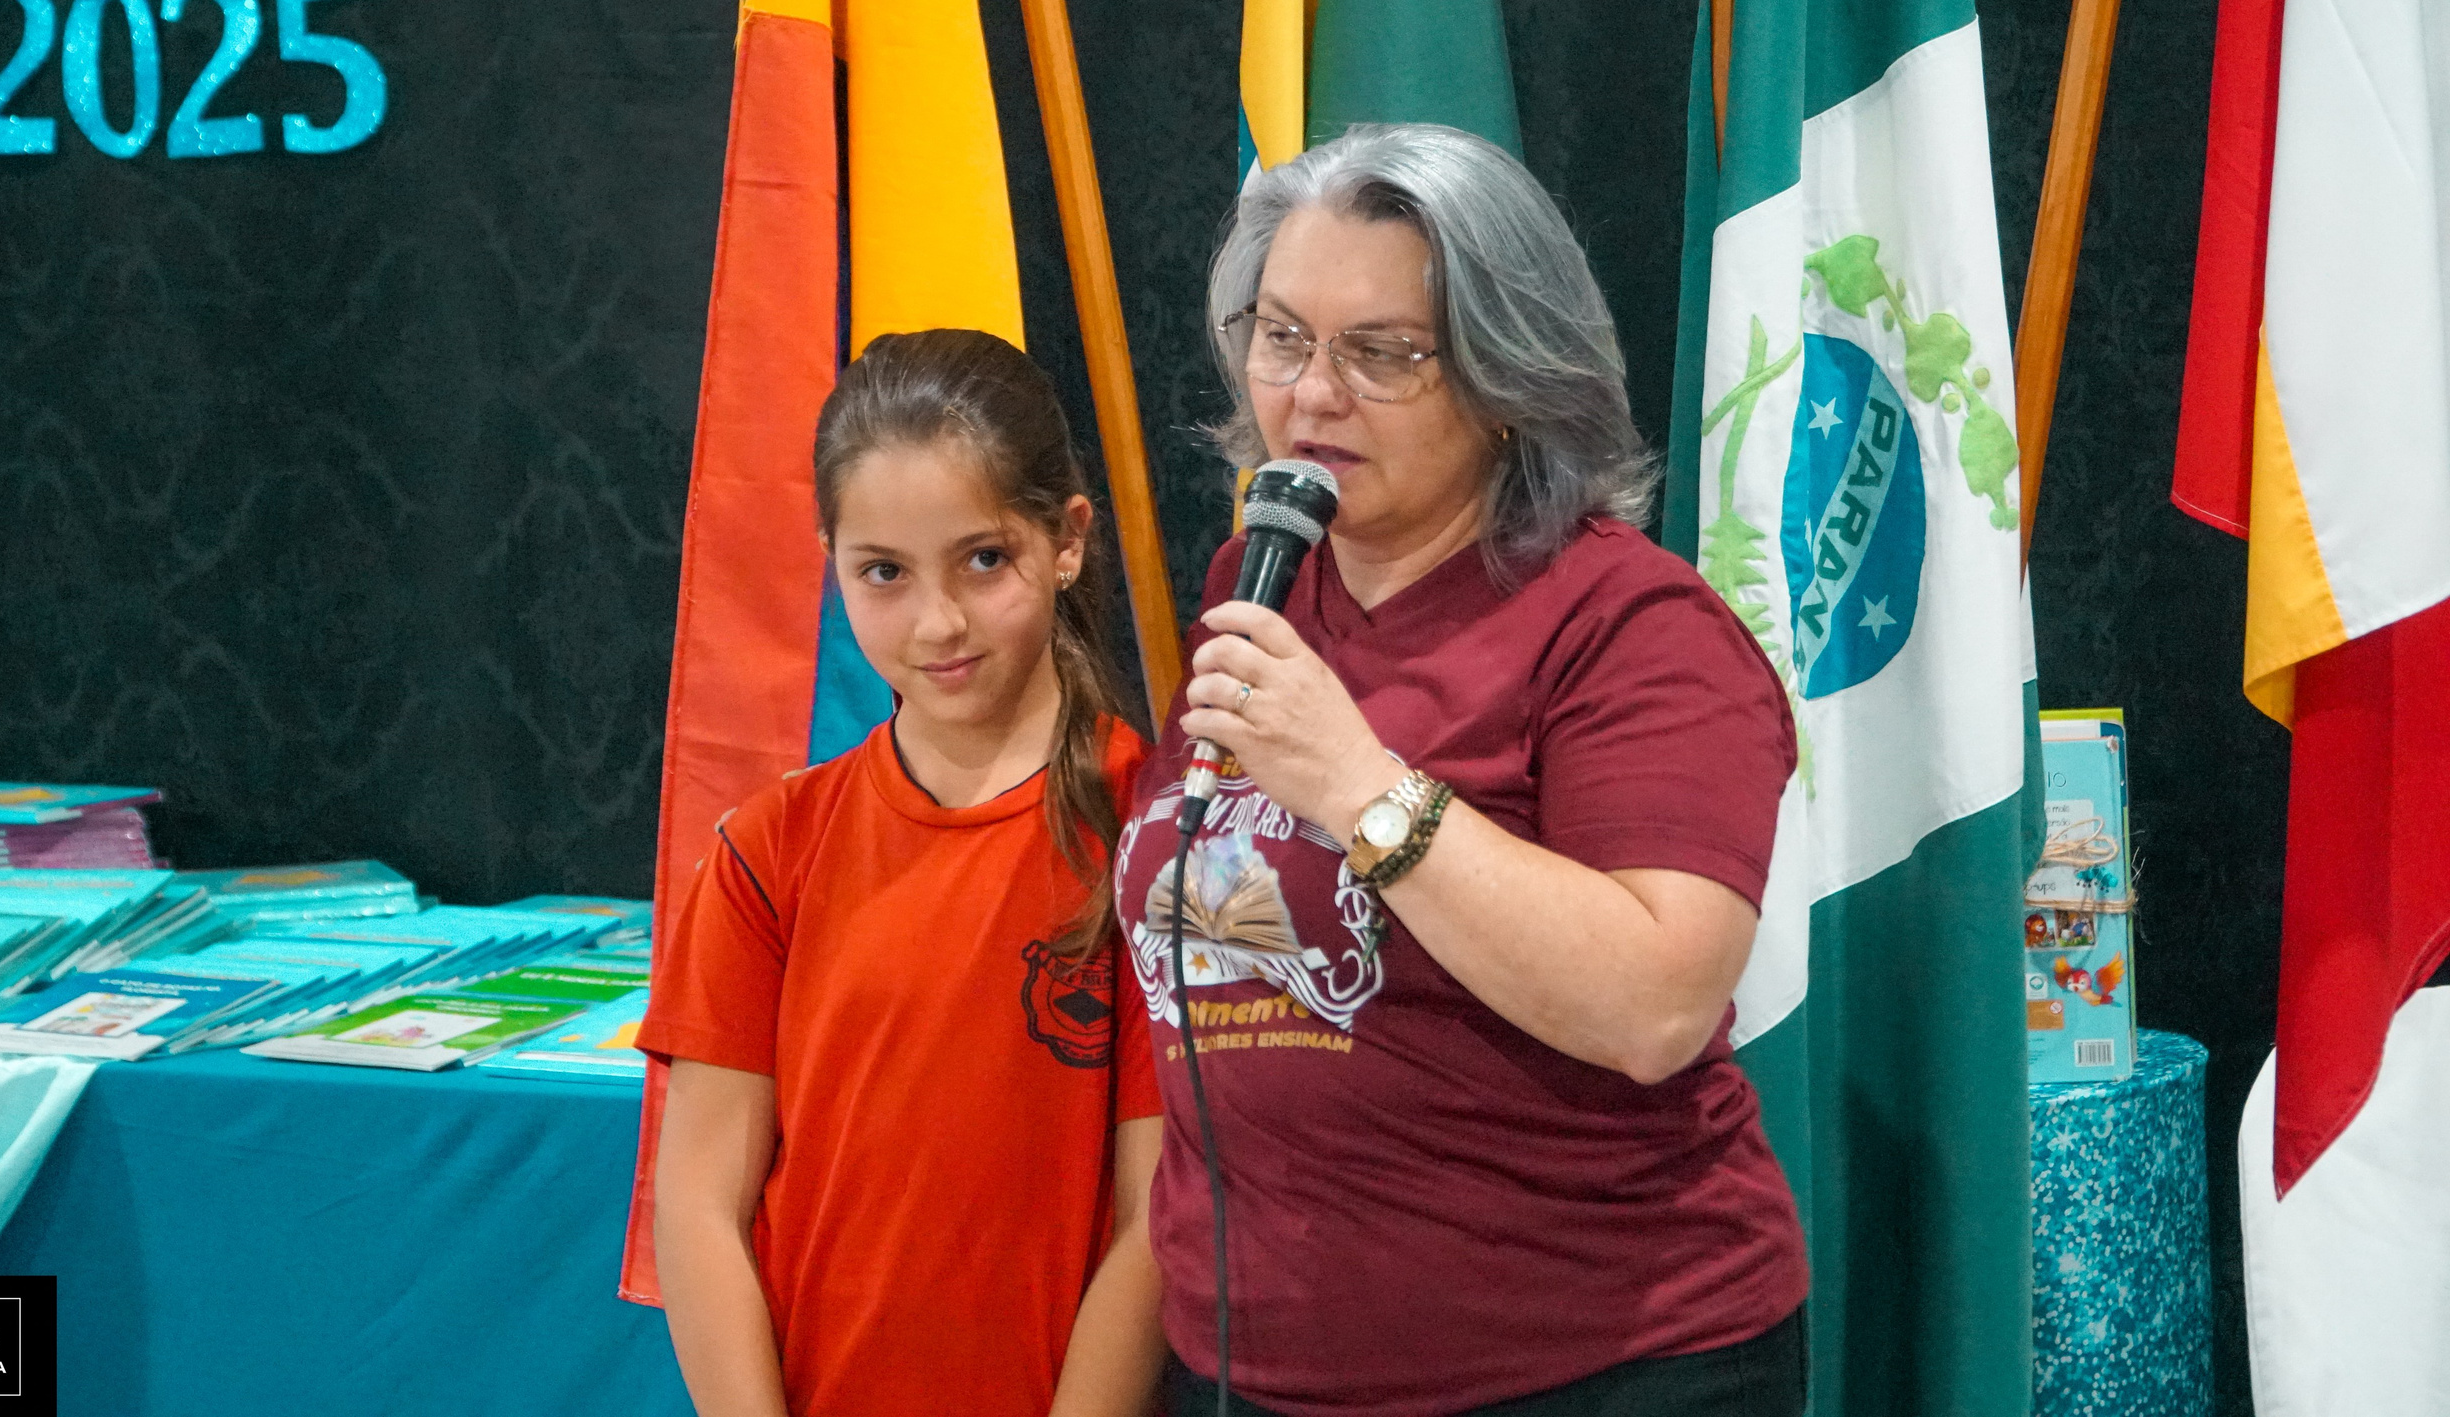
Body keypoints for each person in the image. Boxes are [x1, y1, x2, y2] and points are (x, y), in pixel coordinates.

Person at [1112, 124, 1808, 1416]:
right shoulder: (1257, 585)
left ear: (1506, 378)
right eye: (1281, 338)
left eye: (1380, 354)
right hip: (1252, 1367)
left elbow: (1657, 1004)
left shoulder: (1631, 627)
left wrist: (1361, 783)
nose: (1312, 396)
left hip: (1592, 1367)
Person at [640, 329, 1167, 1417]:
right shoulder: (770, 848)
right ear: (832, 560)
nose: (937, 622)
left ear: (1066, 539)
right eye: (884, 572)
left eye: (983, 559)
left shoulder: (1158, 837)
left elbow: (1157, 1219)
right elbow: (696, 1200)